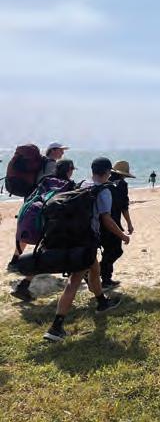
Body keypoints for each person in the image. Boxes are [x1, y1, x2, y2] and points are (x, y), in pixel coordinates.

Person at [43, 157, 129, 342]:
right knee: (74, 281)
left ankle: (102, 302)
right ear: (108, 172)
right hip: (85, 240)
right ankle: (56, 327)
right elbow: (106, 219)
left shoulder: (83, 183)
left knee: (95, 270)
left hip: (73, 236)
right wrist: (123, 236)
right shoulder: (104, 191)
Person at [10, 159, 77, 302]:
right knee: (61, 252)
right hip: (53, 225)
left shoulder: (46, 180)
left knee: (42, 252)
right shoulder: (69, 185)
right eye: (72, 169)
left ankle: (23, 285)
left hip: (39, 221)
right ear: (68, 170)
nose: (72, 172)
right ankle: (23, 286)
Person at [7, 142, 69, 273]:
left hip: (32, 199)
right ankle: (35, 262)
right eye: (60, 150)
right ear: (53, 150)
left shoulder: (42, 163)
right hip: (41, 202)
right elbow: (48, 184)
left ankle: (14, 260)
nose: (62, 153)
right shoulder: (51, 164)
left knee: (26, 230)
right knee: (44, 232)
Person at [100, 161, 135, 289]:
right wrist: (129, 223)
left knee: (108, 251)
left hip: (99, 222)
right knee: (115, 251)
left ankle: (105, 278)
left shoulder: (104, 182)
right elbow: (124, 207)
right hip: (113, 222)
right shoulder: (121, 185)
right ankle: (100, 273)